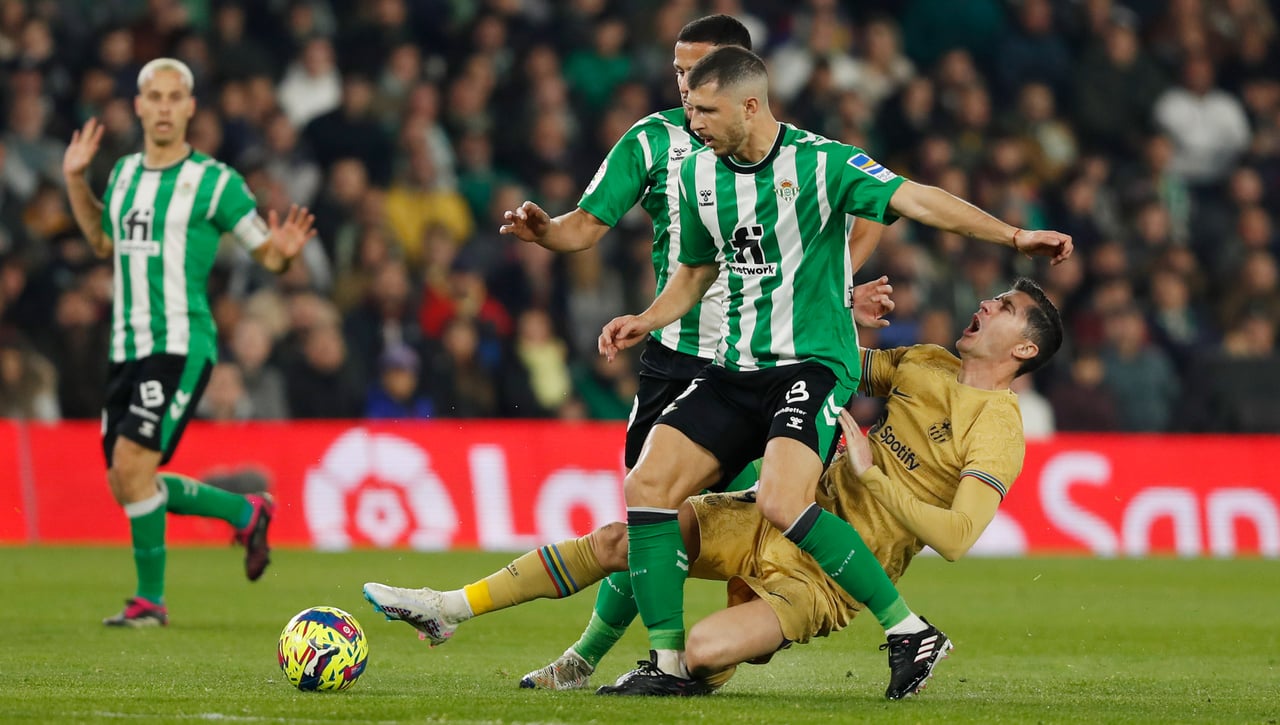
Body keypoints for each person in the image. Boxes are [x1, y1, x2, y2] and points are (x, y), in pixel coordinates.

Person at [592, 46, 1072, 698]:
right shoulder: (698, 176)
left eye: (704, 108)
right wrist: (651, 317)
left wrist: (1014, 236)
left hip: (814, 448)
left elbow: (917, 199)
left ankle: (904, 628)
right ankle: (662, 662)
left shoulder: (824, 163)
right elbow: (701, 274)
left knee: (776, 502)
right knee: (645, 492)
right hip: (749, 372)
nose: (690, 119)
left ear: (750, 105)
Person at [362, 279, 1064, 698]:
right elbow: (824, 361)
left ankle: (703, 659)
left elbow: (959, 537)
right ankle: (453, 607)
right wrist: (841, 306)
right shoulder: (928, 362)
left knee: (701, 650)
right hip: (781, 510)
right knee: (631, 532)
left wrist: (876, 478)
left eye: (1002, 305)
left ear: (1023, 348)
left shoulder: (1000, 425)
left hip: (831, 578)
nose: (984, 302)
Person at [496, 15, 895, 691]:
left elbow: (870, 217)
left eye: (700, 70)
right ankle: (617, 658)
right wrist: (548, 234)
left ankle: (693, 654)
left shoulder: (792, 151)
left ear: (740, 74)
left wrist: (833, 293)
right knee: (651, 517)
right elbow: (586, 224)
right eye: (678, 71)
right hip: (678, 357)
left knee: (760, 520)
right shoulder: (652, 141)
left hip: (772, 359)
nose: (685, 85)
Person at [61, 58, 316, 627]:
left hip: (179, 344)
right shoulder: (124, 173)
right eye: (155, 96)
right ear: (139, 104)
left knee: (132, 470)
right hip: (126, 347)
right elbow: (104, 243)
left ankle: (150, 601)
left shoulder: (216, 182)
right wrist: (76, 179)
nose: (165, 107)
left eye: (177, 97)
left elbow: (268, 254)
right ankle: (245, 511)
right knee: (127, 484)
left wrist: (286, 251)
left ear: (190, 107)